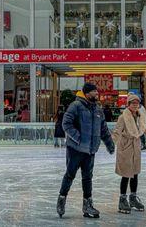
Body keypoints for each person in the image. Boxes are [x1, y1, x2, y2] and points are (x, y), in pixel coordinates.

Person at [56, 83, 115, 219]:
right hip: (75, 149)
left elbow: (104, 129)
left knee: (87, 178)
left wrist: (109, 144)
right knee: (70, 175)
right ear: (87, 93)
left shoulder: (98, 109)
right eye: (94, 91)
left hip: (90, 150)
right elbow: (66, 124)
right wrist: (78, 139)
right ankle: (61, 200)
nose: (97, 93)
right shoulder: (75, 106)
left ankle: (87, 205)